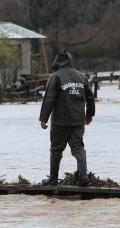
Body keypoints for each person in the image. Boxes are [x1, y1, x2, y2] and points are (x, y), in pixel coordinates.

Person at [39, 49, 95, 186]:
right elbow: (90, 97)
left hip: (60, 121)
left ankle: (52, 179)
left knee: (56, 149)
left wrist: (43, 118)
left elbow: (49, 98)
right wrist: (89, 115)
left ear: (57, 62)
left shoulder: (55, 76)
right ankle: (83, 177)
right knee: (78, 148)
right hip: (77, 121)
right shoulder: (82, 77)